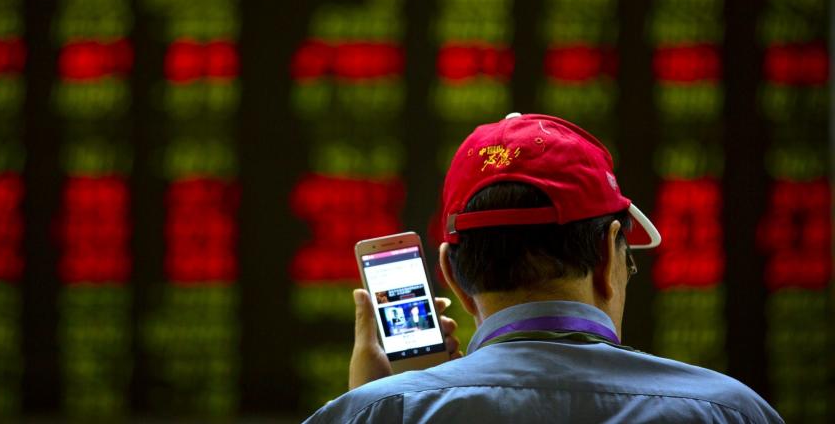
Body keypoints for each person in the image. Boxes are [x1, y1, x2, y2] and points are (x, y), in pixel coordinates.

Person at [305, 113, 782, 423]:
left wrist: (376, 406)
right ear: (607, 254)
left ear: (452, 273)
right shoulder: (730, 412)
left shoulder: (376, 412)